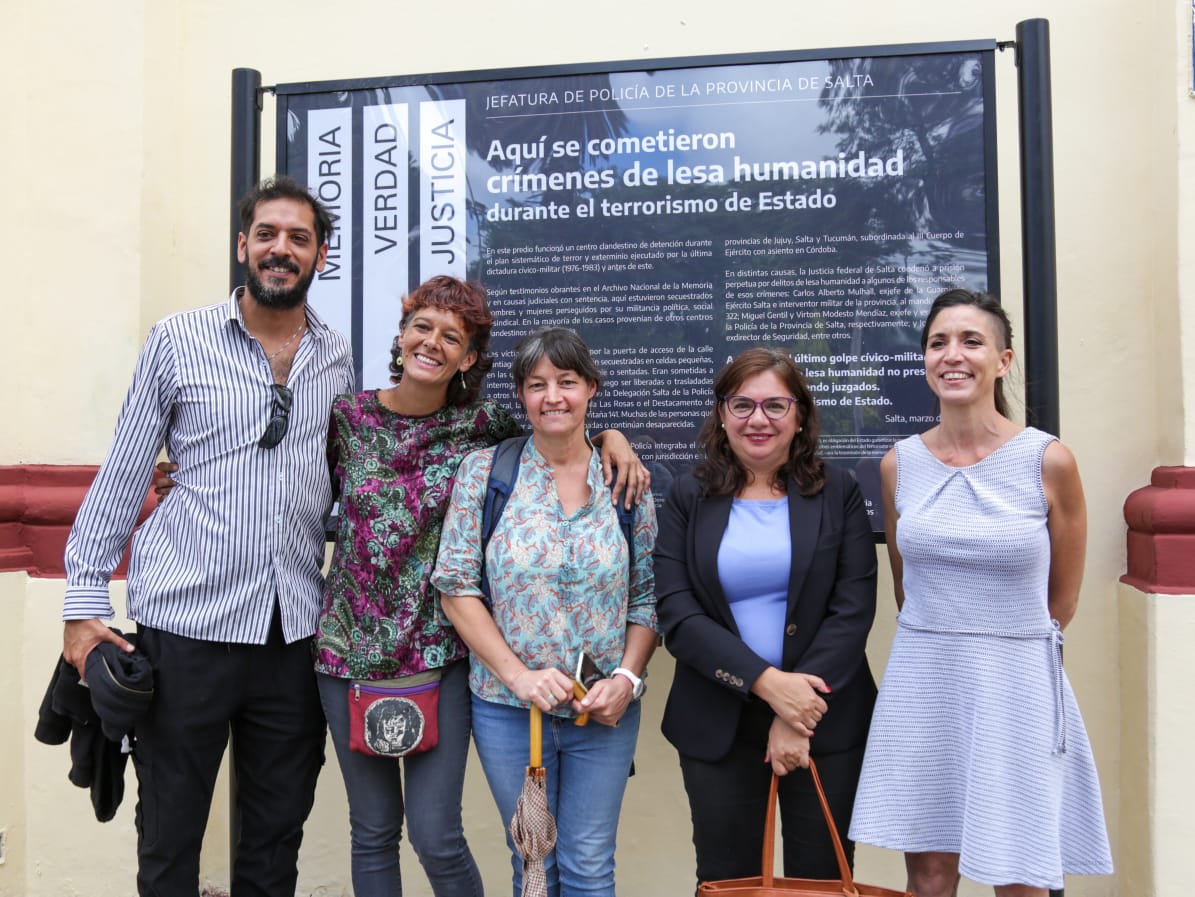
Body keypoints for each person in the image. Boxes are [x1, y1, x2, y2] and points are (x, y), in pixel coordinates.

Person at [62, 175, 353, 896]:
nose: (280, 249)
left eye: (298, 237)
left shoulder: (337, 357)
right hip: (186, 630)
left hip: (293, 636)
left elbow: (342, 484)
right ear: (242, 246)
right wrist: (81, 604)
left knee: (275, 836)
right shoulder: (178, 339)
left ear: (320, 255)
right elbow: (126, 471)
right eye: (267, 234)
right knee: (168, 836)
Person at [313, 279, 648, 897]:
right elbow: (292, 496)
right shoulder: (346, 418)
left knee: (438, 836)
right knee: (373, 831)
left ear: (468, 357)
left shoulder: (483, 427)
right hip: (351, 652)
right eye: (422, 326)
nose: (432, 343)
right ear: (402, 332)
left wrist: (614, 441)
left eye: (452, 336)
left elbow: (559, 431)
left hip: (441, 654)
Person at [849, 289, 1113, 897]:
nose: (953, 355)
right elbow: (906, 583)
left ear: (1004, 360)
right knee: (930, 873)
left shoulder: (1048, 460)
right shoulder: (899, 465)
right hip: (926, 681)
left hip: (1016, 680)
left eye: (972, 341)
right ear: (924, 361)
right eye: (939, 342)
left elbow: (1062, 600)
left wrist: (1001, 642)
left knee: (1018, 873)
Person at [433, 327, 658, 897]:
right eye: (537, 385)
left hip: (601, 712)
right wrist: (521, 677)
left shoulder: (626, 481)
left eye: (567, 381)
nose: (552, 396)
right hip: (510, 710)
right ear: (521, 396)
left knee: (587, 864)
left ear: (591, 389)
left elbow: (647, 598)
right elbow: (456, 586)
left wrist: (627, 680)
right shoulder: (485, 474)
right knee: (533, 861)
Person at [653, 347, 878, 891]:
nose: (758, 419)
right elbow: (677, 613)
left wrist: (797, 712)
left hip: (824, 719)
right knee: (729, 880)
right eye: (742, 404)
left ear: (799, 414)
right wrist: (770, 687)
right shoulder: (688, 496)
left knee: (822, 880)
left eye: (775, 405)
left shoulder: (838, 491)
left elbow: (853, 608)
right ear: (722, 413)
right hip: (717, 721)